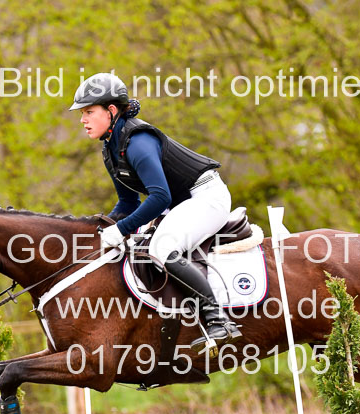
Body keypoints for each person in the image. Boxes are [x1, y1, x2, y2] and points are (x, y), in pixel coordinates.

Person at [69, 72, 240, 348]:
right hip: (182, 202)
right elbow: (128, 204)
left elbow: (160, 197)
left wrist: (121, 229)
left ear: (111, 111)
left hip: (207, 196)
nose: (82, 119)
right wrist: (100, 231)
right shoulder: (110, 149)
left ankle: (217, 319)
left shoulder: (138, 142)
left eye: (89, 112)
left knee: (162, 247)